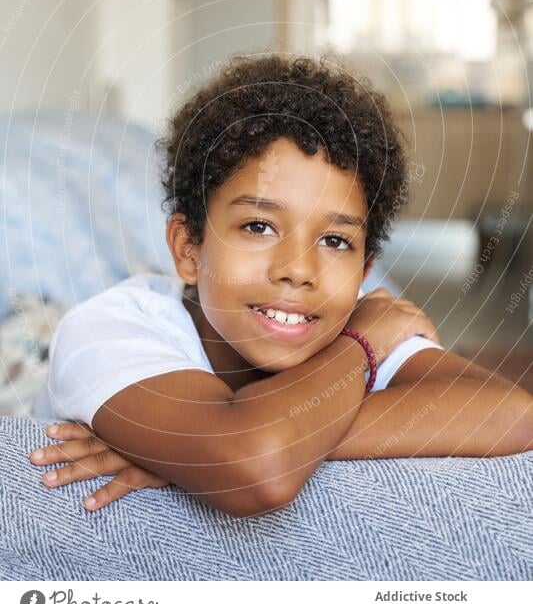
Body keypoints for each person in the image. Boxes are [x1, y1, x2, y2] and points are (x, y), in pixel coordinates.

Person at [30, 54, 533, 517]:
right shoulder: (105, 329)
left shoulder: (343, 320)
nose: (297, 269)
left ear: (363, 272)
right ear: (189, 248)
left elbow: (515, 415)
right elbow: (261, 470)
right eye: (258, 226)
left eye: (335, 240)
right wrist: (360, 349)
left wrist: (219, 447)